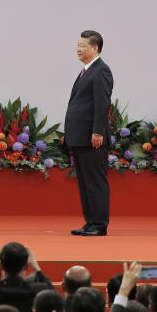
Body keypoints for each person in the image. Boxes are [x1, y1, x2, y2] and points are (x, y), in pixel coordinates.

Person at [65, 30, 114, 236]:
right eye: (78, 45)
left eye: (83, 45)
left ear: (95, 48)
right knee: (85, 184)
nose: (78, 48)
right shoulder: (86, 70)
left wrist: (97, 132)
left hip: (92, 138)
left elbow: (102, 104)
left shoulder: (101, 70)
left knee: (95, 183)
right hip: (80, 137)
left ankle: (100, 224)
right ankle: (90, 222)